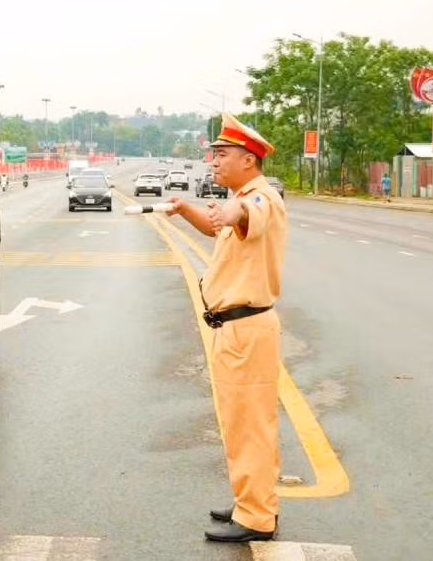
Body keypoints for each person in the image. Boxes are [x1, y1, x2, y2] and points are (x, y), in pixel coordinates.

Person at [163, 112, 287, 543]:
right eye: (213, 154)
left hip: (246, 331)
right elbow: (221, 226)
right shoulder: (246, 198)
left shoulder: (261, 198)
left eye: (222, 154)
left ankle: (257, 517)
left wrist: (230, 208)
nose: (214, 161)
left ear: (249, 160)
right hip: (235, 331)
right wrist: (185, 210)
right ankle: (250, 501)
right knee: (239, 423)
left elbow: (241, 213)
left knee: (250, 425)